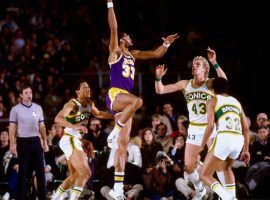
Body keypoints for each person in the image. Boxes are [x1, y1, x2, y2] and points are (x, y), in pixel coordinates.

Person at [105, 0, 179, 199]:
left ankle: (118, 190)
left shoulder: (133, 54)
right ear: (122, 40)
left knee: (122, 148)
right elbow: (114, 27)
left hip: (124, 104)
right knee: (138, 101)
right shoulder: (116, 51)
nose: (130, 38)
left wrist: (167, 43)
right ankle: (116, 130)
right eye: (127, 36)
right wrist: (110, 3)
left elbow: (155, 53)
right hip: (116, 95)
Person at [155, 47, 227, 199]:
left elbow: (224, 82)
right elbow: (160, 90)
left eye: (198, 64)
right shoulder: (185, 84)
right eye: (194, 63)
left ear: (204, 69)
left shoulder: (210, 83)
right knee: (188, 166)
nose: (194, 65)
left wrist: (214, 62)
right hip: (194, 129)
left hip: (211, 128)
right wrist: (158, 78)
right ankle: (200, 189)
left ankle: (227, 195)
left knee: (219, 165)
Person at [52, 81, 114, 200]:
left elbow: (98, 114)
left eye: (89, 87)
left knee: (74, 176)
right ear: (77, 92)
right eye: (84, 88)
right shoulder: (72, 104)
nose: (88, 89)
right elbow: (57, 119)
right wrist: (75, 126)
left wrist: (114, 116)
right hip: (69, 138)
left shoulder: (90, 103)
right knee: (86, 173)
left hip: (75, 140)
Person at [195, 77, 250, 200]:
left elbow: (210, 126)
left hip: (225, 137)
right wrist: (246, 150)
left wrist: (202, 146)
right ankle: (232, 197)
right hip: (238, 139)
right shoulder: (236, 102)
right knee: (226, 168)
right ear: (227, 88)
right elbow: (246, 128)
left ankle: (226, 198)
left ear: (213, 89)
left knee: (205, 175)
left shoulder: (212, 100)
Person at [9, 85, 48, 200]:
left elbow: (42, 125)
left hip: (36, 141)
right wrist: (12, 143)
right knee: (23, 172)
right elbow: (12, 128)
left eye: (30, 92)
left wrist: (45, 141)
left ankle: (42, 197)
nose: (29, 95)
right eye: (26, 93)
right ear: (21, 95)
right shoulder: (15, 109)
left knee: (40, 172)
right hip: (23, 142)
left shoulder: (38, 107)